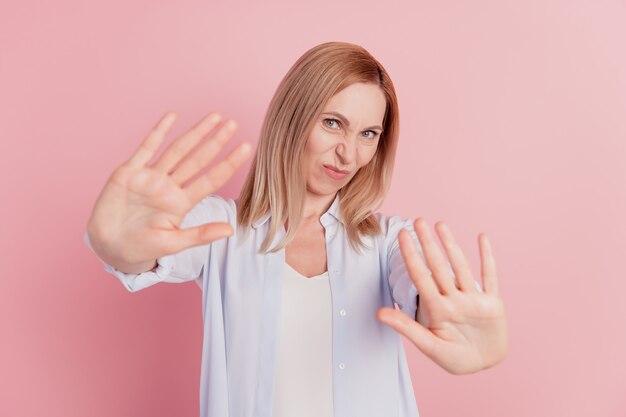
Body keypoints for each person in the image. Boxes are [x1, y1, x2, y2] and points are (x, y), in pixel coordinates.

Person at [83, 41, 508, 417]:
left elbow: (423, 289)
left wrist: (453, 322)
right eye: (332, 123)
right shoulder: (223, 228)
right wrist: (117, 244)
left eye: (369, 133)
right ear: (292, 117)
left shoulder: (389, 243)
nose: (348, 152)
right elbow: (146, 249)